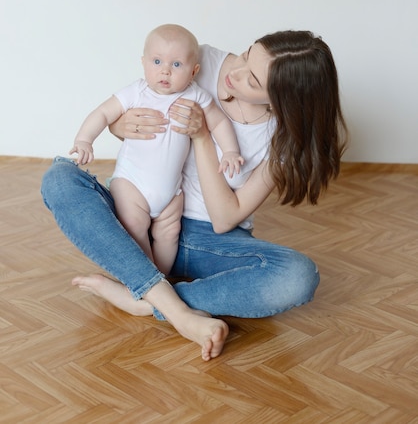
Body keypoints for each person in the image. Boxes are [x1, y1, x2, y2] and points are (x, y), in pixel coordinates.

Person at [41, 29, 348, 361]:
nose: (235, 73)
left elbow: (224, 219)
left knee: (299, 276)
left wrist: (203, 137)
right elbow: (135, 104)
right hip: (138, 216)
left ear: (280, 101)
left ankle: (146, 299)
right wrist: (118, 126)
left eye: (253, 81)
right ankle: (174, 308)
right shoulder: (201, 60)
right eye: (246, 55)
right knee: (59, 179)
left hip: (207, 239)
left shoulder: (285, 141)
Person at [69, 24, 243, 275]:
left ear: (194, 71)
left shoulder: (196, 96)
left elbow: (218, 122)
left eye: (176, 65)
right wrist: (85, 139)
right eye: (157, 61)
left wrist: (229, 151)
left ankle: (160, 279)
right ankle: (145, 278)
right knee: (134, 226)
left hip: (171, 192)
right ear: (143, 62)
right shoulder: (137, 92)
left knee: (169, 233)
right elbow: (103, 112)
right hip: (132, 183)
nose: (165, 70)